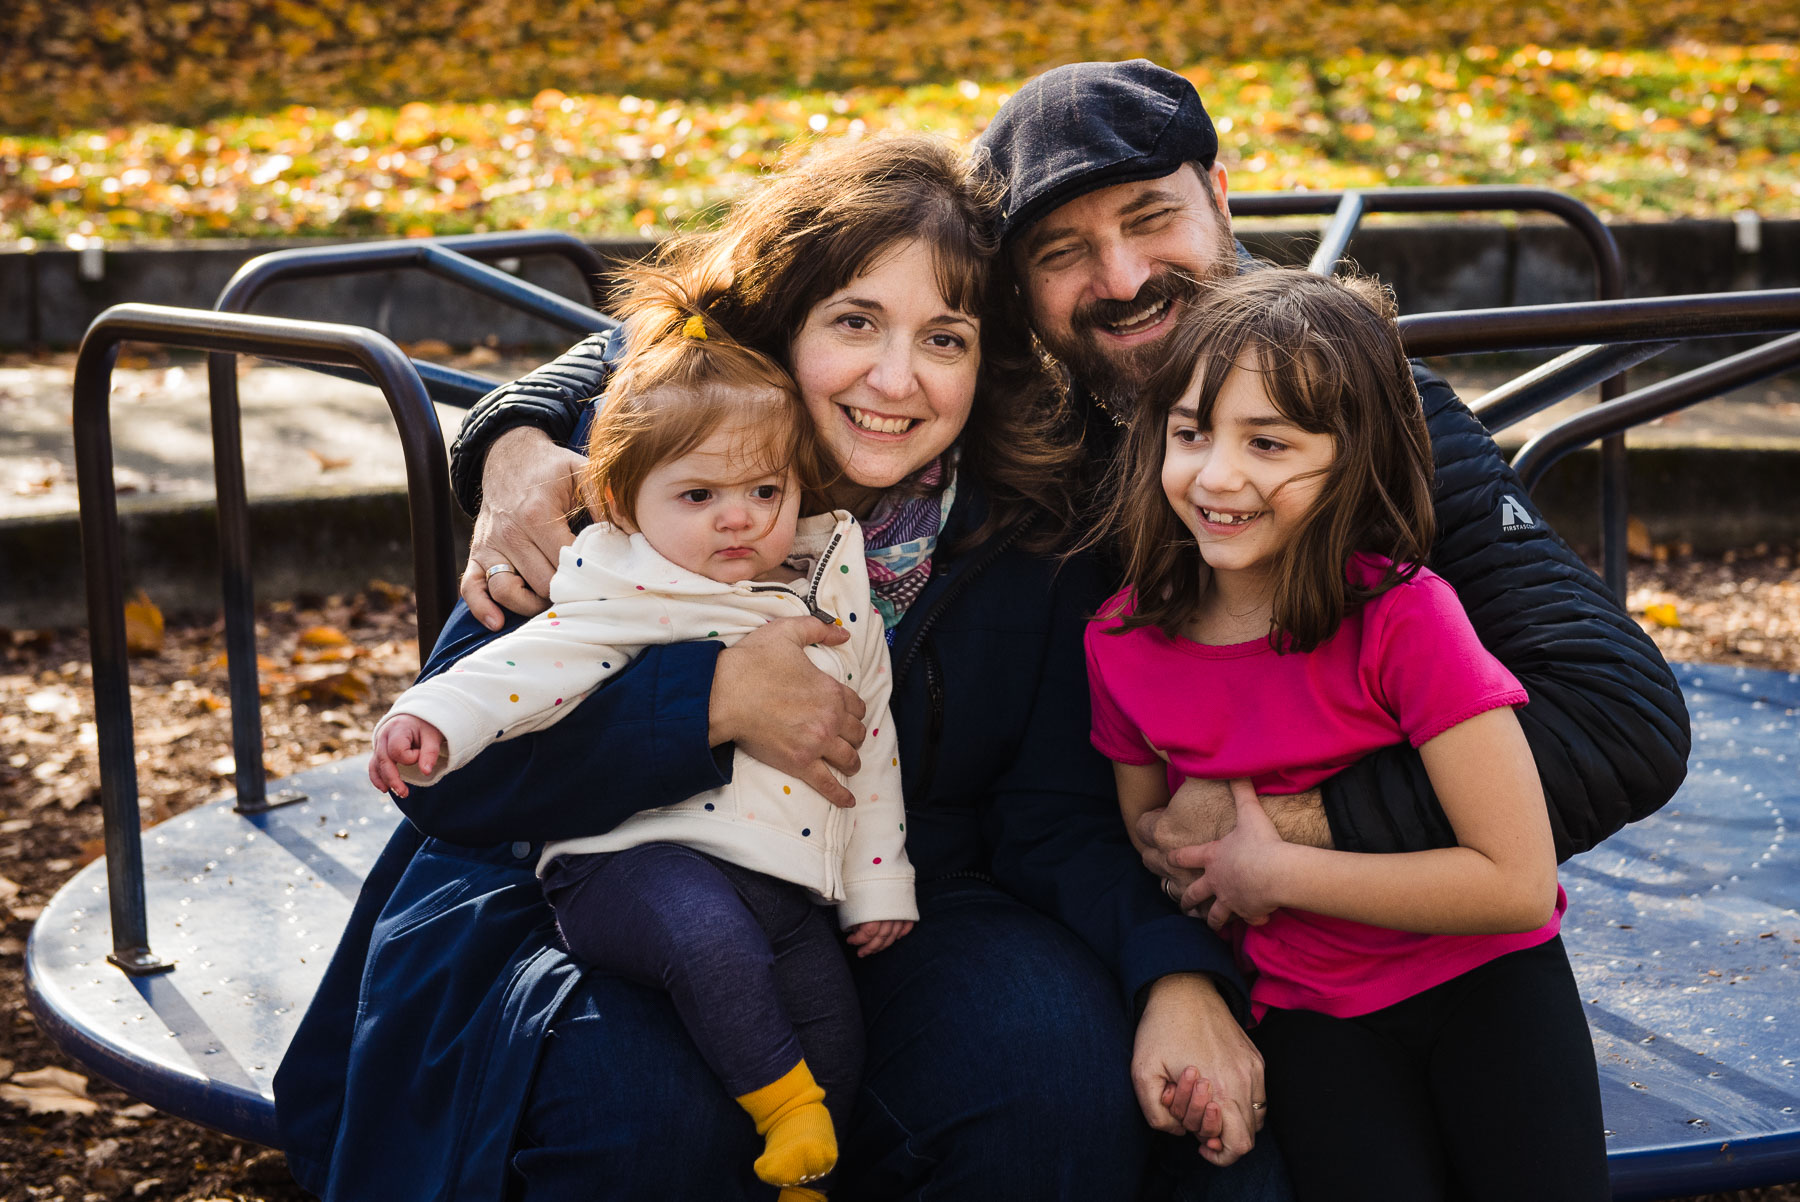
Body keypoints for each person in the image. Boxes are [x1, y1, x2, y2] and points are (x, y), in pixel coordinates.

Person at [275, 65, 1689, 1200]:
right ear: (1026, 306)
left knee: (1060, 1077)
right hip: (607, 874)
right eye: (1066, 251)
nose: (1124, 277)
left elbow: (1614, 713)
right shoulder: (709, 459)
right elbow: (758, 316)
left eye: (1153, 220)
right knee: (642, 1100)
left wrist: (1256, 872)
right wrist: (520, 434)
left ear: (1222, 206)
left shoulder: (1235, 439)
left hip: (986, 889)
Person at [368, 274, 920, 1201]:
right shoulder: (620, 583)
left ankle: (805, 1177)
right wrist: (430, 721)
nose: (737, 516)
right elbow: (525, 671)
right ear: (625, 503)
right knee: (709, 947)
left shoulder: (832, 589)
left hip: (784, 875)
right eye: (699, 494)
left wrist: (877, 883)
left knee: (832, 1019)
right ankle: (786, 1114)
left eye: (763, 490)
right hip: (633, 859)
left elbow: (867, 748)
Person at [1084, 267, 1608, 1201]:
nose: (1218, 475)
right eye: (1191, 434)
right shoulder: (1121, 643)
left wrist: (1274, 872)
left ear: (1351, 460)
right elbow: (1154, 833)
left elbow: (1518, 885)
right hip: (1310, 1015)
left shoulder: (1409, 620)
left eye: (1269, 442)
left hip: (1487, 989)